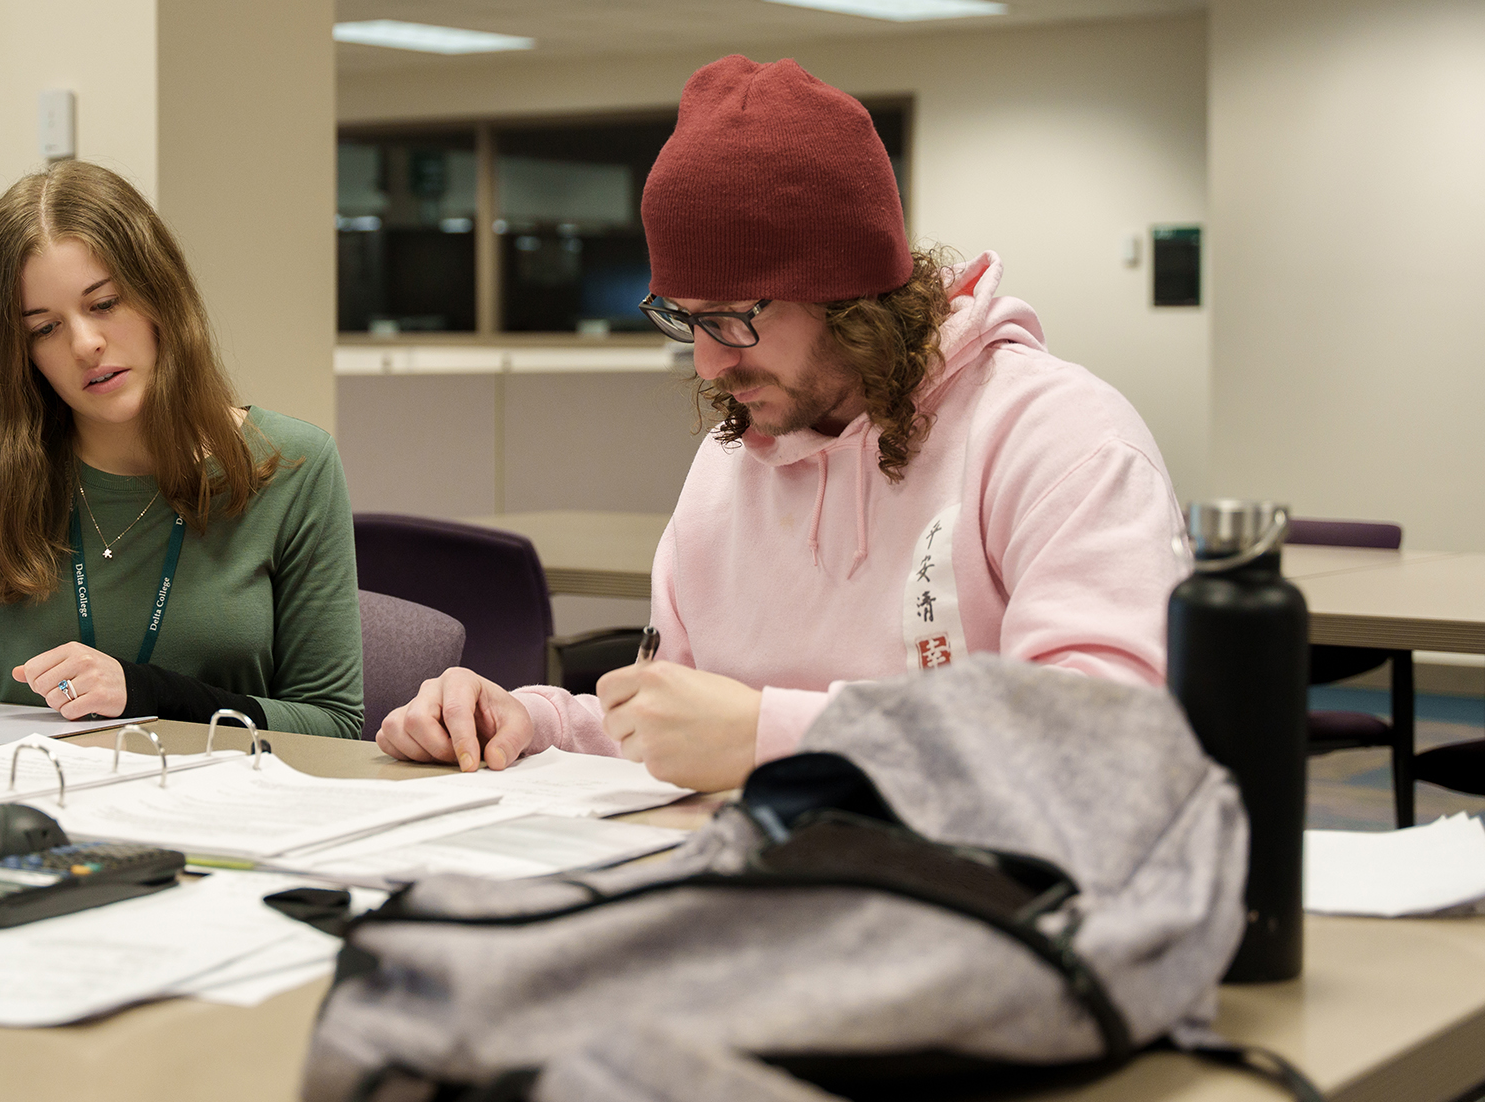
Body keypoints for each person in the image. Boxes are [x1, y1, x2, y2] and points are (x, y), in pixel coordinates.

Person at [377, 54, 1183, 789]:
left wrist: (776, 735)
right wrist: (534, 722)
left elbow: (1110, 735)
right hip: (752, 883)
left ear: (850, 300)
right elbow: (678, 727)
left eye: (731, 318)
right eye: (682, 319)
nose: (707, 363)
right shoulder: (734, 460)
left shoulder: (1058, 437)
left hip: (983, 903)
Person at [0, 160, 363, 736]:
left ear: (161, 296)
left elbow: (333, 723)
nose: (86, 343)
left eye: (104, 304)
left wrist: (147, 692)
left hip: (204, 816)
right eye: (43, 328)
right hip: (8, 814)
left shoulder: (293, 465)